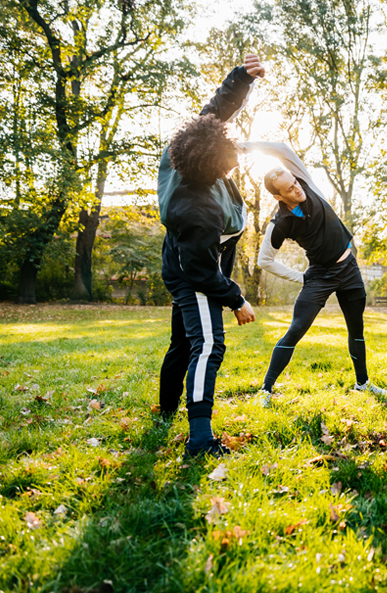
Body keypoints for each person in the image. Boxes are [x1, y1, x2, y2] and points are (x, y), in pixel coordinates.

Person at [157, 55, 263, 457]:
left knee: (183, 341)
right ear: (212, 168)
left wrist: (241, 78)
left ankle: (166, 409)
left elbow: (214, 112)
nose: (234, 155)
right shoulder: (199, 208)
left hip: (181, 262)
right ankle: (199, 439)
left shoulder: (181, 151)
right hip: (193, 275)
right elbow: (202, 269)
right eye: (229, 157)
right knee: (207, 346)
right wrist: (236, 299)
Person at [245, 141, 386, 402]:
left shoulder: (306, 183)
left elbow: (282, 150)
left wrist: (245, 146)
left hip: (349, 268)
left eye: (295, 182)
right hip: (319, 276)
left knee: (356, 329)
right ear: (278, 197)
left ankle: (363, 383)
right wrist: (300, 277)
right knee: (297, 328)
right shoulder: (280, 223)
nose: (297, 188)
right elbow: (265, 260)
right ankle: (265, 389)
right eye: (289, 188)